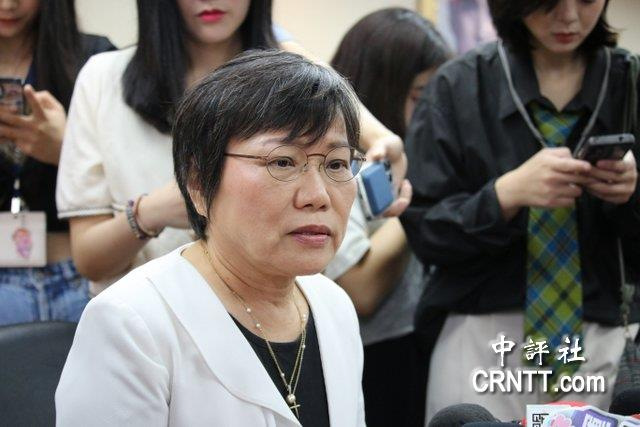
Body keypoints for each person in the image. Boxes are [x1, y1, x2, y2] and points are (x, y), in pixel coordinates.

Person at [56, 49, 366, 426]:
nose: (318, 196)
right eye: (283, 162)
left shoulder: (333, 306)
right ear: (199, 183)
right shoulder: (132, 323)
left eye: (336, 164)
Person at [56, 0, 411, 296]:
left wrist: (385, 153)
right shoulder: (103, 81)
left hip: (276, 314)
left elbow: (379, 142)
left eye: (335, 164)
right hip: (147, 319)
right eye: (282, 161)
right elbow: (89, 259)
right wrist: (154, 210)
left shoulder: (293, 73)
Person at [401, 0, 640, 421]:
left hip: (601, 337)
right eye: (548, 2)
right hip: (484, 336)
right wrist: (503, 196)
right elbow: (425, 229)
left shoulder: (630, 83)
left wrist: (632, 194)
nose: (568, 17)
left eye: (586, 0)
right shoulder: (459, 85)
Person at [327, 8, 450, 427]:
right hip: (374, 358)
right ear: (383, 87)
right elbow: (360, 290)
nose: (433, 112)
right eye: (420, 97)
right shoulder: (340, 164)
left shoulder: (420, 153)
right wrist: (423, 203)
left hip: (422, 341)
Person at [0, 0, 114, 325]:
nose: (9, 5)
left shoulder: (95, 60)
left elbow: (134, 182)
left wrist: (66, 149)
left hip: (83, 274)